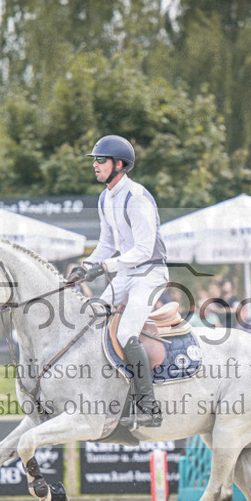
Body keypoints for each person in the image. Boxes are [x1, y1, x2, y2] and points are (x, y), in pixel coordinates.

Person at [66, 134, 167, 429]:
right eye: (94, 161)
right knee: (91, 316)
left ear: (119, 164)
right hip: (127, 273)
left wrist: (105, 266)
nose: (95, 166)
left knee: (125, 334)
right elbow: (106, 244)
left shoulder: (135, 197)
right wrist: (85, 266)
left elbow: (143, 250)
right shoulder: (105, 198)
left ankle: (148, 407)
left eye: (100, 160)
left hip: (150, 273)